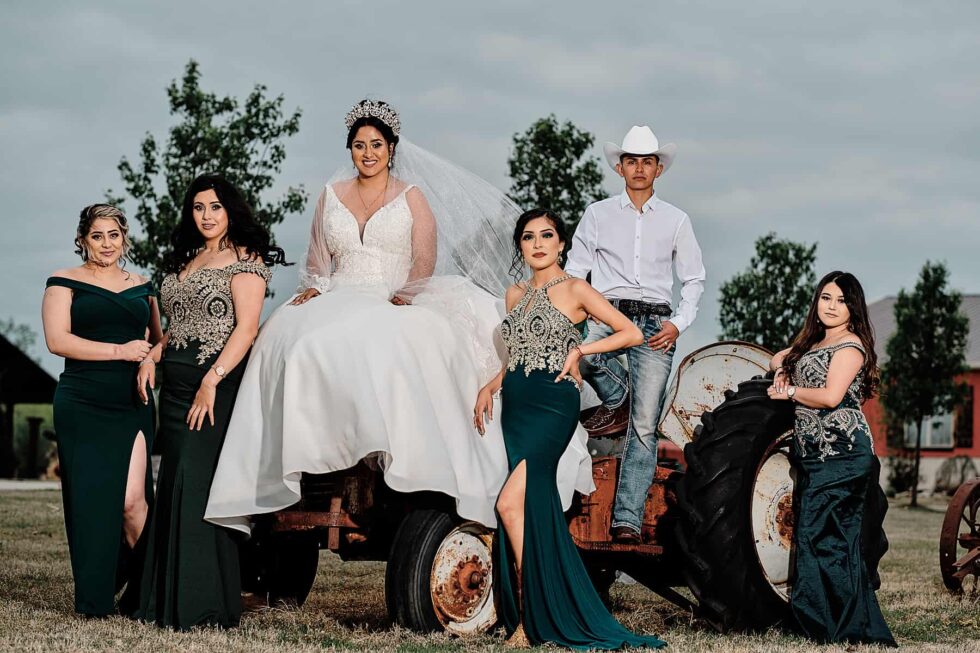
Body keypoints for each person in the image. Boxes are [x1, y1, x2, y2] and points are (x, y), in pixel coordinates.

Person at [204, 100, 593, 534]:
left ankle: (402, 456)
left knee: (393, 341)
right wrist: (315, 285)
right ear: (350, 150)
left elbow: (424, 256)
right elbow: (318, 256)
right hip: (340, 290)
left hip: (396, 291)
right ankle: (299, 461)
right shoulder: (330, 195)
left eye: (376, 144)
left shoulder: (411, 196)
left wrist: (406, 293)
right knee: (288, 337)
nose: (367, 153)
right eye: (359, 145)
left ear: (391, 148)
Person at [474, 209, 666, 649]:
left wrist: (581, 351)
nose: (537, 244)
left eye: (547, 236)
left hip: (552, 405)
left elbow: (631, 333)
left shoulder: (577, 289)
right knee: (527, 508)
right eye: (528, 237)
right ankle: (534, 615)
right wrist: (492, 383)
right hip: (517, 405)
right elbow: (518, 354)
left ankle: (529, 621)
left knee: (509, 504)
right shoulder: (514, 294)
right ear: (520, 247)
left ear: (562, 244)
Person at [131, 173, 283, 630]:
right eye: (198, 207)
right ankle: (162, 598)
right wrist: (152, 355)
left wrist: (212, 380)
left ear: (230, 209)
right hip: (174, 390)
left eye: (215, 206)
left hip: (214, 388)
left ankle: (203, 604)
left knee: (197, 485)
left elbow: (247, 329)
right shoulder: (189, 257)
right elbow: (178, 326)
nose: (207, 216)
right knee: (174, 481)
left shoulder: (246, 259)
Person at [565, 125, 705, 543]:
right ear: (620, 167)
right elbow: (575, 270)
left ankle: (626, 519)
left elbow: (694, 279)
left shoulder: (677, 220)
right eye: (632, 161)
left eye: (647, 162)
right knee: (584, 357)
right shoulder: (597, 214)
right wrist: (576, 312)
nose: (639, 168)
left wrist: (678, 322)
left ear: (658, 169)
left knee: (644, 426)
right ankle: (619, 396)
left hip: (656, 322)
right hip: (607, 311)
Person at [42, 204, 161, 616]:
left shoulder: (143, 285)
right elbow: (57, 341)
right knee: (91, 502)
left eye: (113, 235)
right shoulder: (62, 282)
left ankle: (145, 595)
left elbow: (159, 340)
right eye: (97, 236)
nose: (106, 244)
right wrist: (120, 351)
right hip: (82, 400)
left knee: (132, 501)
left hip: (132, 401)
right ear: (83, 240)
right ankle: (95, 597)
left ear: (124, 238)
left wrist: (148, 360)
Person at [768, 271, 896, 647]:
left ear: (853, 307)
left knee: (829, 539)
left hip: (844, 455)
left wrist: (789, 390)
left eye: (841, 301)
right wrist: (782, 368)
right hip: (814, 457)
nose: (832, 306)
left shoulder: (851, 346)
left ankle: (846, 627)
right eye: (826, 298)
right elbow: (777, 357)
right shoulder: (812, 342)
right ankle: (824, 624)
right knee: (815, 537)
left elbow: (830, 396)